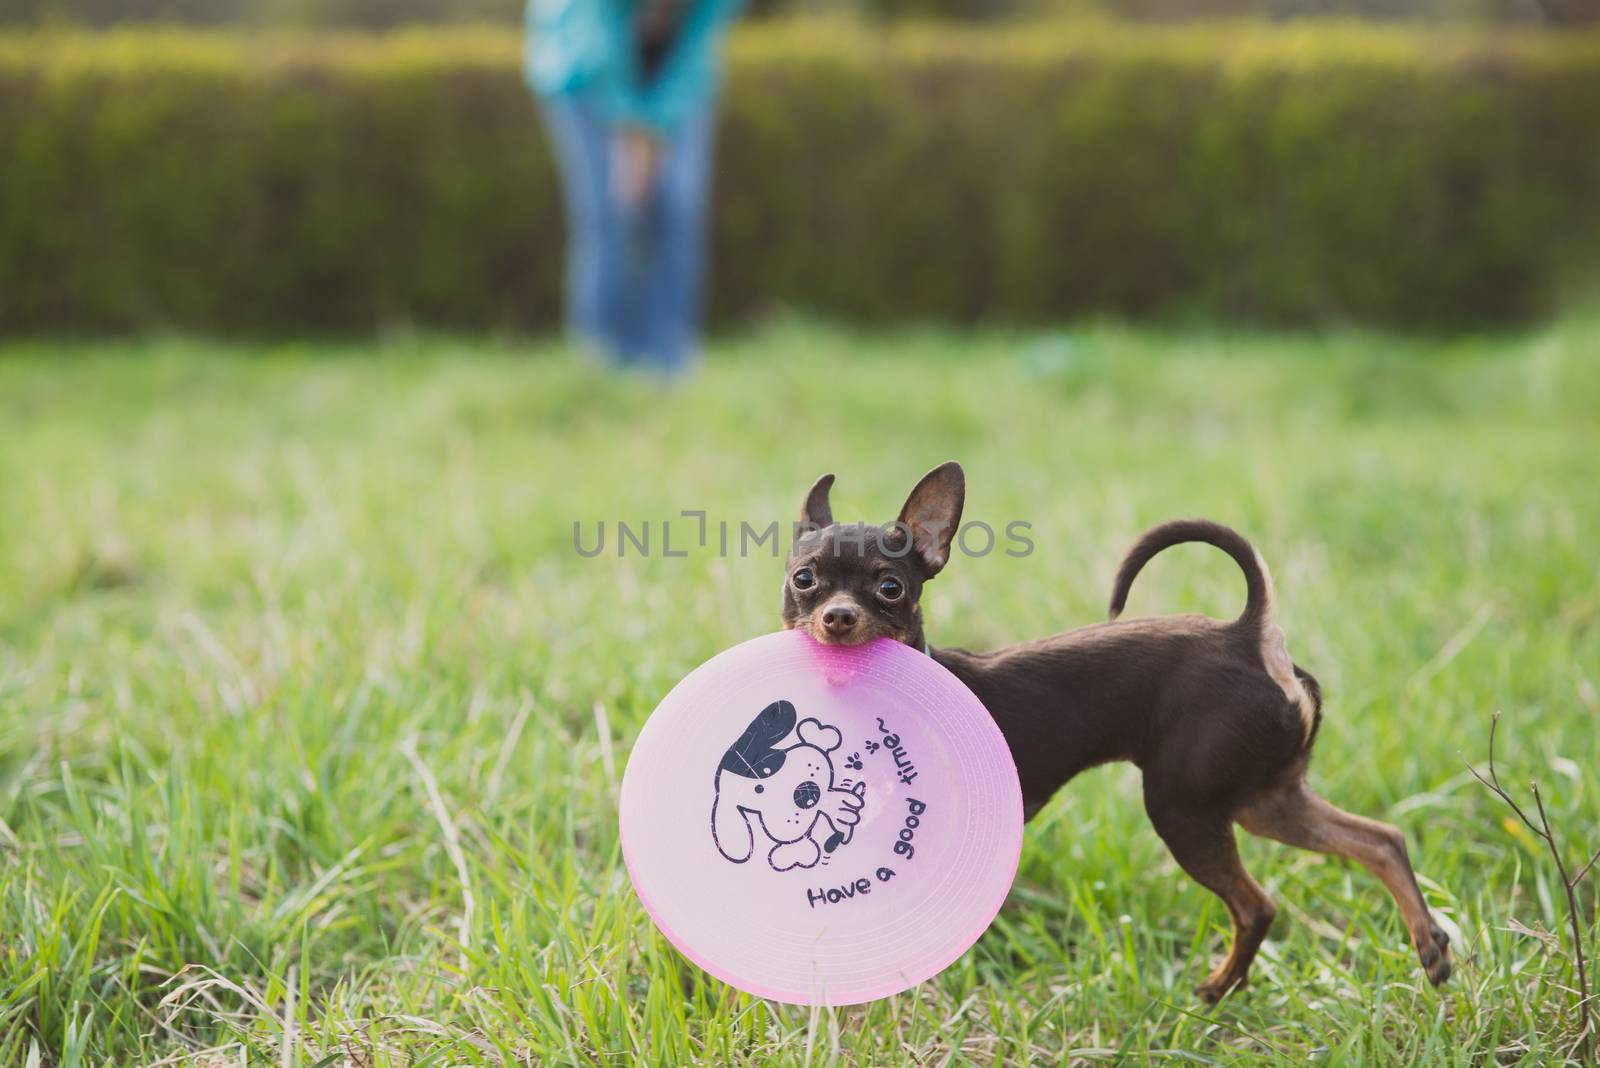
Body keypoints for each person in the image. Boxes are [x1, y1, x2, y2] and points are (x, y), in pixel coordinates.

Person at [525, 0, 744, 376]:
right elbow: (598, 39)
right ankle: (601, 356)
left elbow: (696, 44)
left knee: (679, 206)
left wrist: (656, 122)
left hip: (674, 77)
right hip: (584, 70)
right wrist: (629, 125)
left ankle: (669, 358)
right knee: (609, 211)